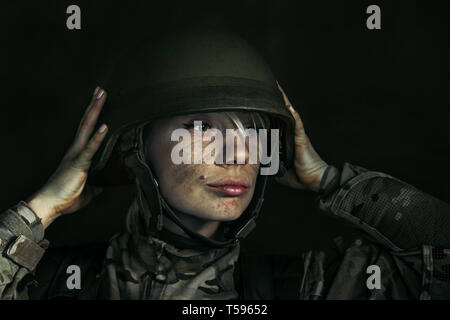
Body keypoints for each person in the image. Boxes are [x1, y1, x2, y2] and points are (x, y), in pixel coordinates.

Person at [0, 31, 449, 300]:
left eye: (251, 133)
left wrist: (333, 181)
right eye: (200, 127)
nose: (237, 154)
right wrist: (38, 212)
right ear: (134, 147)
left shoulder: (307, 288)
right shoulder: (53, 283)